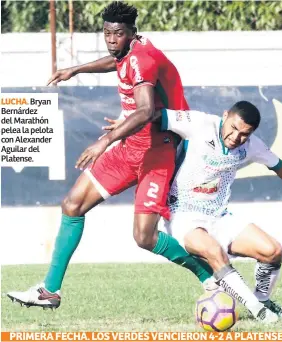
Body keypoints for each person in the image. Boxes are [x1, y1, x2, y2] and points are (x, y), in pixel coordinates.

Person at [7, 1, 213, 310]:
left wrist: (103, 141)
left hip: (157, 153)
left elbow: (144, 110)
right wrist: (75, 69)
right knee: (72, 205)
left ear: (132, 33)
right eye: (106, 33)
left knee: (144, 238)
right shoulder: (128, 52)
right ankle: (50, 291)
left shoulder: (143, 60)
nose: (111, 40)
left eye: (118, 34)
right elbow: (116, 61)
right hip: (130, 149)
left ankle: (211, 277)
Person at [154, 101, 282, 322]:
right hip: (182, 214)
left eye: (244, 134)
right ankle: (257, 311)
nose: (236, 138)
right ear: (225, 115)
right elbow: (155, 116)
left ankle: (263, 300)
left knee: (273, 251)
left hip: (218, 216)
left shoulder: (252, 146)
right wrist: (121, 131)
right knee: (214, 252)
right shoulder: (201, 123)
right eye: (233, 128)